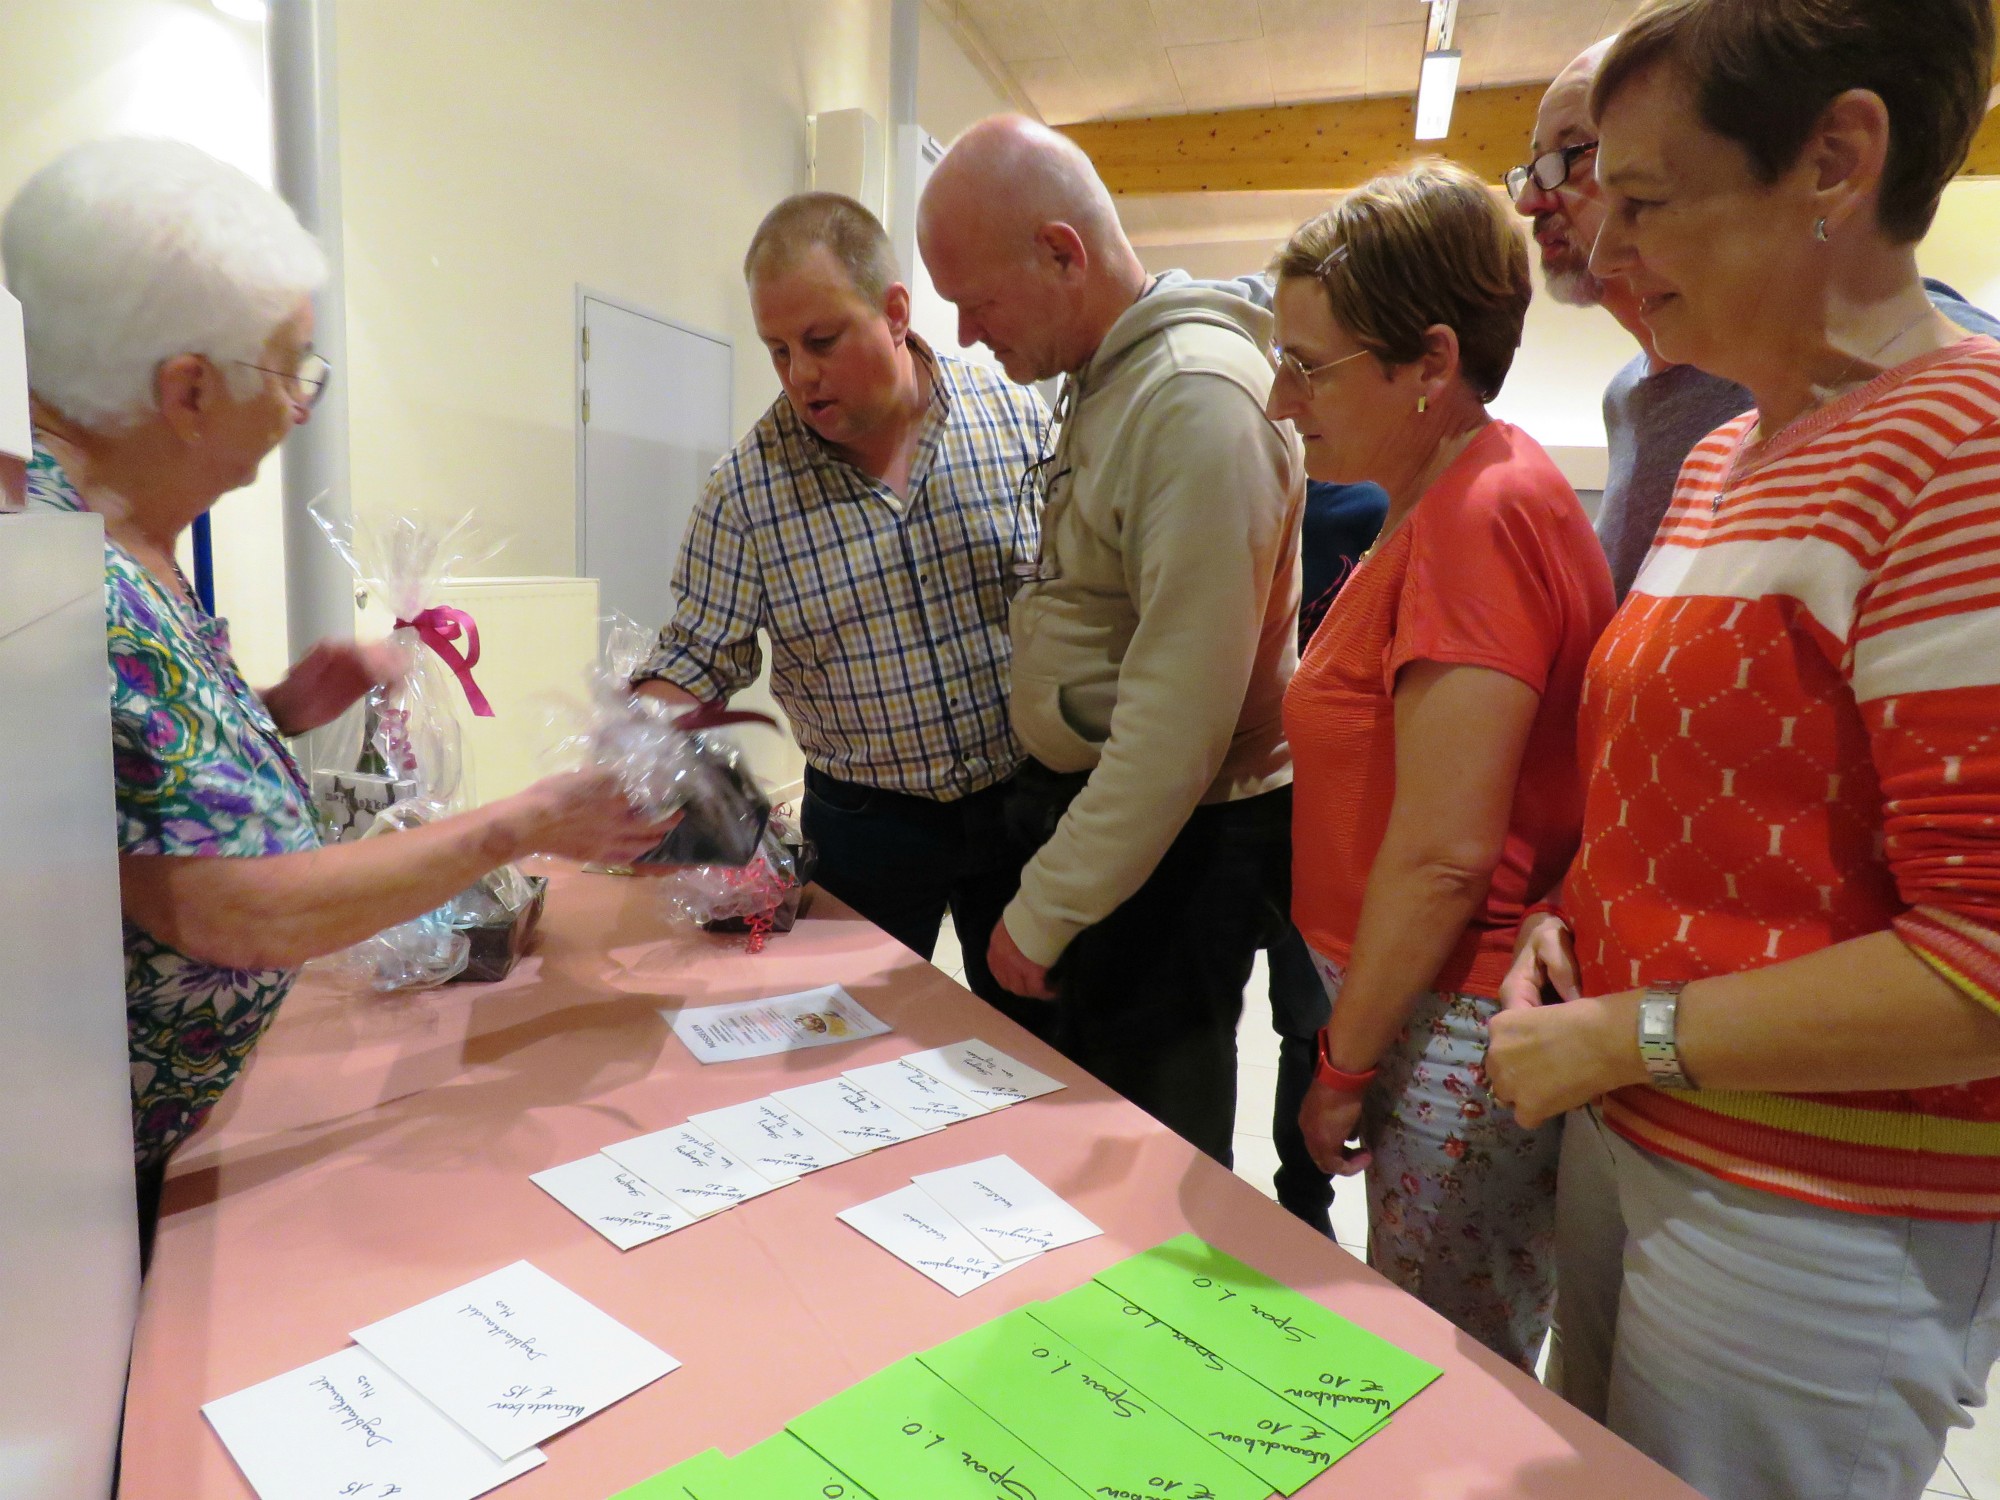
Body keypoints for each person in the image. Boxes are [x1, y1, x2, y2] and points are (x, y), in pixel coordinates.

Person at [1486, 2, 2000, 1493]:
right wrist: (1565, 930)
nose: (1610, 240)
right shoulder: (1723, 450)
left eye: (1647, 199)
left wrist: (1629, 1032)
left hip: (1816, 1207)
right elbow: (1672, 789)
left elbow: (1978, 965)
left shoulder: (1960, 446)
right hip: (1638, 1127)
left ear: (1837, 161)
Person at [1, 138, 669, 1252]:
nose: (302, 406)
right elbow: (232, 911)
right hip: (97, 1206)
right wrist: (528, 818)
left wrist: (274, 710)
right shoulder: (75, 579)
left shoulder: (117, 547)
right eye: (291, 369)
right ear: (189, 390)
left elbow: (110, 807)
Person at [1268, 159, 1614, 1369]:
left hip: (1443, 1024)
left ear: (1425, 362)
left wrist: (1340, 1063)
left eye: (1306, 366)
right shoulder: (1447, 494)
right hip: (1424, 1008)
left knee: (1438, 1359)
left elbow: (1443, 857)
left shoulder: (1477, 513)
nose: (1277, 396)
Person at [917, 116, 1302, 1165]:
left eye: (974, 302)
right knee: (1077, 1137)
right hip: (1113, 841)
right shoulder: (1111, 378)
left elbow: (1173, 732)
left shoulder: (1189, 400)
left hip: (1170, 858)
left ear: (1059, 252)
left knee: (1139, 1162)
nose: (962, 339)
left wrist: (1040, 912)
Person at [633, 193, 1048, 1024]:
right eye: (777, 350)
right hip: (867, 826)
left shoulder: (1013, 417)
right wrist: (635, 743)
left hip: (1025, 802)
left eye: (821, 341)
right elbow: (693, 659)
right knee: (851, 1049)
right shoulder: (746, 490)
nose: (799, 375)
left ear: (895, 312)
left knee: (1041, 1042)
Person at [1512, 36, 2000, 605]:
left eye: (1575, 156)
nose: (1531, 202)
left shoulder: (1939, 387)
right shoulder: (1641, 404)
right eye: (1531, 167)